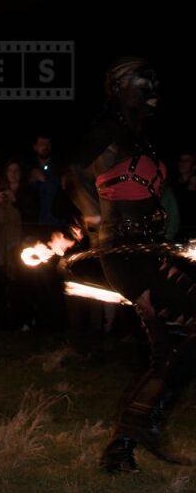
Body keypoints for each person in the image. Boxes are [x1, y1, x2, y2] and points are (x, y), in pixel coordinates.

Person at [67, 56, 196, 473]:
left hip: (150, 252)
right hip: (128, 256)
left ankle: (121, 448)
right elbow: (73, 174)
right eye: (145, 82)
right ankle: (147, 421)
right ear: (120, 89)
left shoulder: (140, 140)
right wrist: (92, 215)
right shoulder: (109, 134)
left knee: (170, 349)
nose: (153, 88)